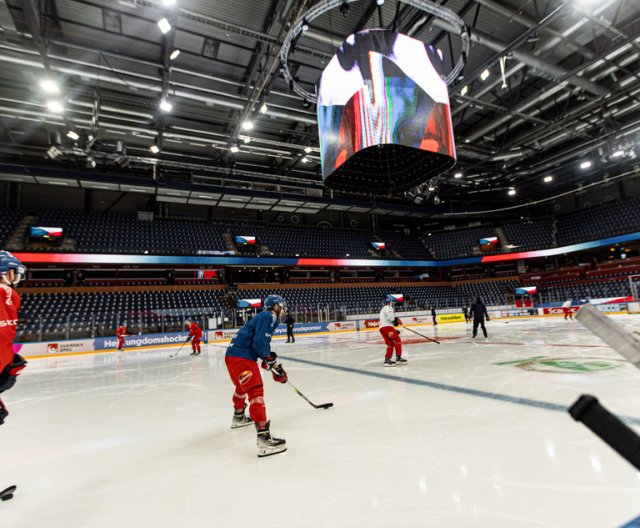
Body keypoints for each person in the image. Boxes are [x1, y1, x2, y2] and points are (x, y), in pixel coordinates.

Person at [225, 294, 288, 457]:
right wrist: (270, 361)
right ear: (275, 306)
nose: (282, 309)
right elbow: (260, 343)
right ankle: (264, 438)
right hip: (242, 357)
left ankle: (238, 416)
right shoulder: (270, 316)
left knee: (241, 387)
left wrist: (268, 359)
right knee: (255, 391)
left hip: (232, 355)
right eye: (281, 306)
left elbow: (259, 344)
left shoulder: (262, 316)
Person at [379, 295, 406, 367]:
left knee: (390, 343)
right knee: (397, 339)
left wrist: (394, 325)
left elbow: (388, 319)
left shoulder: (383, 309)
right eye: (392, 302)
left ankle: (387, 359)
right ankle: (398, 357)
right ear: (389, 302)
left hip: (382, 328)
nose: (393, 304)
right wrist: (396, 320)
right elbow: (391, 318)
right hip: (387, 327)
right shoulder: (388, 307)